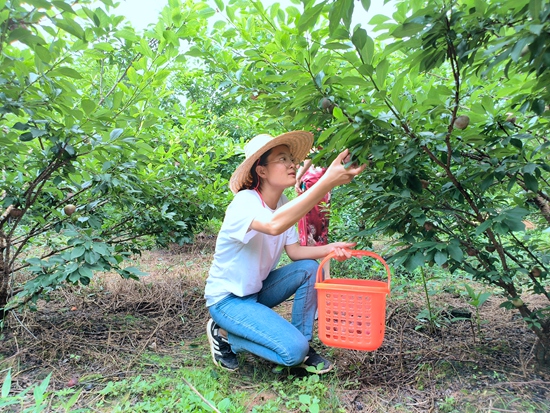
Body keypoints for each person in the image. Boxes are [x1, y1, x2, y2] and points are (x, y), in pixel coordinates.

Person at [204, 131, 366, 374]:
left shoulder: (282, 203)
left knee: (310, 267)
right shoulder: (244, 202)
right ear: (261, 171)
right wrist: (327, 182)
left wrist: (330, 249)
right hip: (228, 300)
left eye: (291, 158)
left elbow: (295, 251)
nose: (292, 164)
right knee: (291, 352)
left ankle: (303, 344)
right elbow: (273, 225)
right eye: (282, 159)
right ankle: (225, 333)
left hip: (256, 291)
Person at [295, 156, 331, 247]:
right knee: (322, 227)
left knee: (309, 225)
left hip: (312, 178)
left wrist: (298, 177)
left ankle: (309, 258)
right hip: (324, 179)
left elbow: (312, 156)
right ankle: (321, 254)